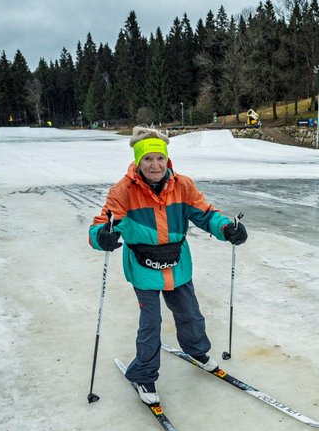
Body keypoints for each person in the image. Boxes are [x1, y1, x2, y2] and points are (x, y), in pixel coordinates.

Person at [89, 126, 248, 405]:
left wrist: (226, 229)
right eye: (148, 159)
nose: (155, 165)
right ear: (138, 161)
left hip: (177, 263)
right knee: (151, 324)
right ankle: (144, 374)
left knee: (190, 313)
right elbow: (104, 223)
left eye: (159, 158)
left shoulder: (182, 185)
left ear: (167, 160)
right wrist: (102, 236)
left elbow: (206, 214)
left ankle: (197, 351)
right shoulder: (123, 190)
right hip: (143, 265)